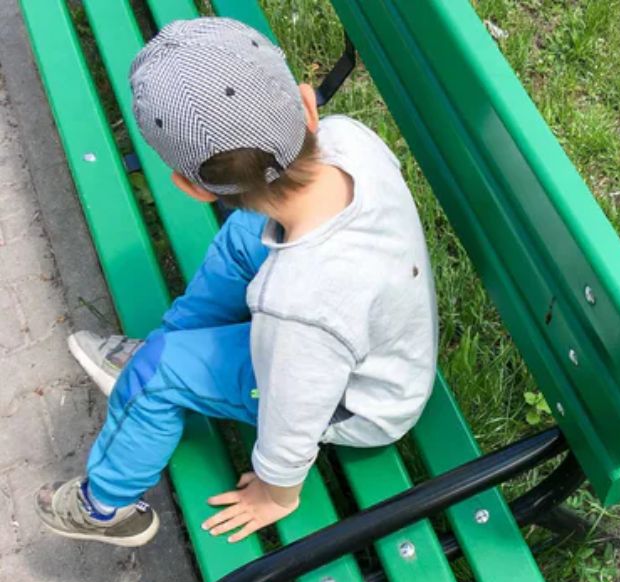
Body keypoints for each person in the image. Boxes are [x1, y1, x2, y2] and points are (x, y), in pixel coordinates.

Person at [34, 17, 437, 547]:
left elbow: (294, 413)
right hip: (373, 331)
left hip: (358, 404)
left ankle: (105, 507)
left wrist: (275, 494)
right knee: (247, 234)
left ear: (193, 189)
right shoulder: (349, 140)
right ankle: (167, 345)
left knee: (157, 376)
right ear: (307, 106)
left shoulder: (296, 306)